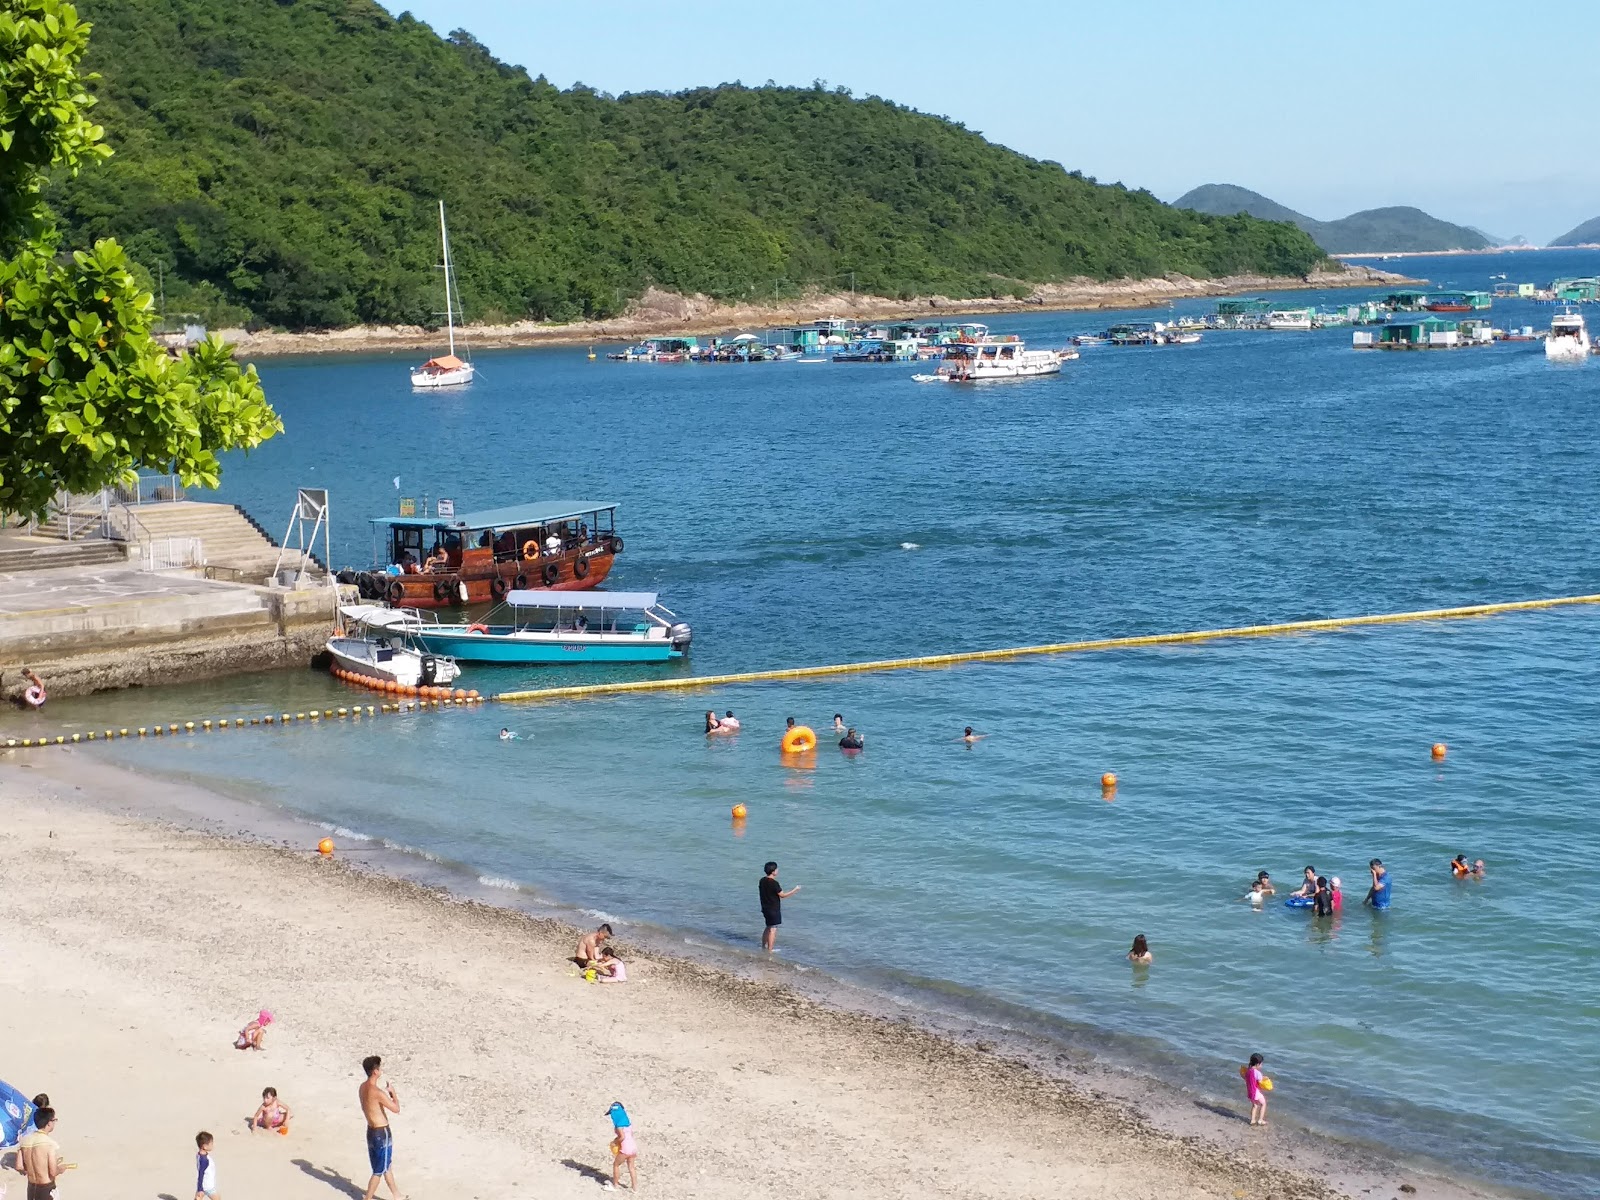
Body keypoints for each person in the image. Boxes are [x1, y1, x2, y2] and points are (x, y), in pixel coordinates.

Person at [359, 1056, 400, 1200]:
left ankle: (397, 1195)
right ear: (375, 1071)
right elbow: (396, 1109)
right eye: (379, 1067)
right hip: (382, 1133)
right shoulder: (377, 1092)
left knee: (385, 1165)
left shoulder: (362, 1087)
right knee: (378, 1170)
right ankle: (368, 1198)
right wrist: (392, 1092)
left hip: (370, 1131)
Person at [18, 1107, 71, 1200]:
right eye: (54, 1120)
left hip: (31, 1188)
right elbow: (53, 1172)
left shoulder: (24, 1141)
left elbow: (19, 1166)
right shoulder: (49, 1143)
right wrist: (61, 1168)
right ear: (49, 1123)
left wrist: (32, 1168)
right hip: (46, 1188)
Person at [760, 861, 800, 952]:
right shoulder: (774, 883)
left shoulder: (762, 880)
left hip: (765, 907)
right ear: (773, 871)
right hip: (773, 909)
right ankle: (770, 949)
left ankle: (763, 947)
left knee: (768, 927)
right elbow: (782, 895)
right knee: (773, 929)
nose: (778, 871)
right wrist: (795, 890)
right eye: (776, 869)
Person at [604, 1101, 638, 1192]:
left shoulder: (619, 1126)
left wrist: (615, 1142)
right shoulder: (627, 1123)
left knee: (616, 1165)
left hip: (625, 1149)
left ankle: (615, 1186)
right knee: (631, 1167)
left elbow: (622, 1137)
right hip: (633, 1147)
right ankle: (634, 1188)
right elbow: (628, 1135)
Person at [1243, 1053, 1268, 1126]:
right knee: (1263, 1104)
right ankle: (1260, 1120)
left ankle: (1252, 1120)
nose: (1261, 1066)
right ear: (1257, 1064)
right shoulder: (1257, 1073)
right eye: (1261, 1064)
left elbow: (1245, 1077)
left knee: (1255, 1106)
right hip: (1255, 1092)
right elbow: (1261, 1081)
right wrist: (1265, 1078)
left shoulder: (1248, 1071)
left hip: (1250, 1092)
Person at [194, 1130, 218, 1200]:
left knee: (198, 1198)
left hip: (204, 1184)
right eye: (211, 1144)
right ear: (204, 1146)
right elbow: (201, 1174)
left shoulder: (199, 1155)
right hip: (208, 1186)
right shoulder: (204, 1160)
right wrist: (199, 1189)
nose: (212, 1146)